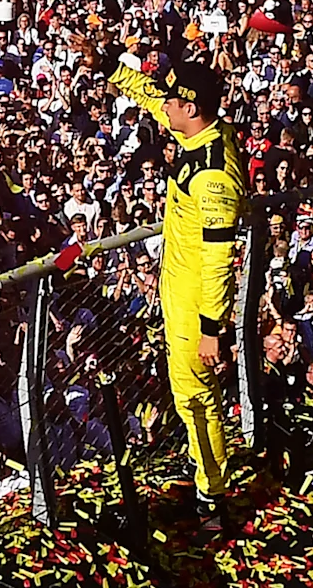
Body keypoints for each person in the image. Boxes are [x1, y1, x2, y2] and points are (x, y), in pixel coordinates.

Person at [98, 40, 250, 518]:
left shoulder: (213, 179)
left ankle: (212, 496)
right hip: (179, 291)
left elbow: (219, 259)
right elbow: (149, 95)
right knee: (191, 399)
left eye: (171, 102)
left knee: (195, 400)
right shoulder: (200, 133)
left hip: (193, 305)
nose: (162, 107)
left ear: (191, 107)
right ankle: (202, 466)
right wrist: (108, 66)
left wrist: (211, 328)